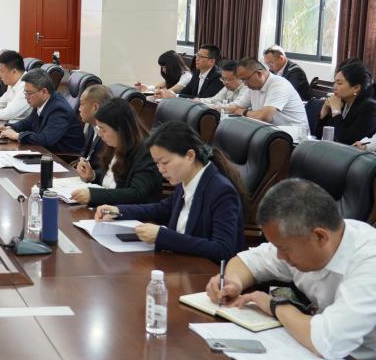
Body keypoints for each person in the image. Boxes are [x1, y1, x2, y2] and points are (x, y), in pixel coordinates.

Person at [206, 179, 376, 360]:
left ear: (320, 236)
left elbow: (327, 340)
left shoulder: (369, 261)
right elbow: (249, 261)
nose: (279, 256)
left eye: (283, 249)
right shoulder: (304, 239)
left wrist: (277, 306)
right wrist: (233, 282)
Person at [94, 121, 245, 263]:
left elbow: (223, 249)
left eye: (165, 162)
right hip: (178, 263)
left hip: (204, 273)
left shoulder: (221, 191)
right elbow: (162, 209)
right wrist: (118, 211)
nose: (161, 170)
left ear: (190, 156)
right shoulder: (186, 179)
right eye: (157, 163)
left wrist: (162, 236)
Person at [71, 98, 162, 206]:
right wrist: (93, 175)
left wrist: (93, 195)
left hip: (129, 213)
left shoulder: (146, 152)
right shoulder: (115, 143)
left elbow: (137, 193)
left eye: (103, 129)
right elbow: (111, 176)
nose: (99, 134)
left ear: (120, 129)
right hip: (106, 208)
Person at [0, 69, 85, 153]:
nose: (26, 97)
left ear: (44, 92)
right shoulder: (41, 102)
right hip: (46, 152)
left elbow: (46, 139)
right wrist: (10, 127)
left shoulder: (59, 109)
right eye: (25, 93)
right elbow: (28, 122)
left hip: (63, 158)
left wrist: (17, 136)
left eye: (29, 93)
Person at [232, 58, 309, 136]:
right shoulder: (253, 87)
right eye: (242, 80)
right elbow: (235, 107)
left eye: (245, 79)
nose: (245, 84)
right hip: (271, 131)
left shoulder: (279, 85)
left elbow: (264, 117)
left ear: (259, 73)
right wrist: (224, 108)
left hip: (294, 134)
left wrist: (244, 112)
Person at [314, 59, 376, 146]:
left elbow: (346, 141)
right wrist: (324, 111)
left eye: (339, 83)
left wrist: (336, 112)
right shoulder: (341, 100)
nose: (334, 87)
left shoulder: (369, 108)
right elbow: (318, 136)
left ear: (356, 88)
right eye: (335, 82)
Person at [75, 84, 113, 175]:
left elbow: (110, 170)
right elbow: (84, 153)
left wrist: (93, 175)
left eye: (82, 104)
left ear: (95, 107)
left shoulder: (111, 134)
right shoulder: (91, 124)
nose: (79, 109)